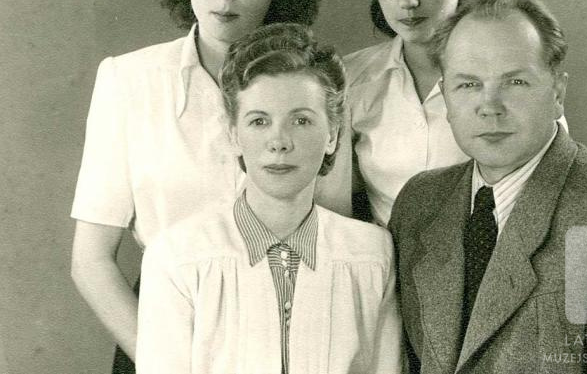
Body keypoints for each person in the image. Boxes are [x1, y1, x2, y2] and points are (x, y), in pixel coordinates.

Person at [69, 0, 346, 372]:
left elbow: (335, 232)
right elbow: (90, 261)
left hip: (292, 330)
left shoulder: (317, 85)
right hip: (161, 334)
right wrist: (165, 362)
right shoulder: (128, 81)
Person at [389, 0, 587, 373]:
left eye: (515, 82)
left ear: (557, 94)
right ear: (446, 97)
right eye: (468, 84)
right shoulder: (420, 202)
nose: (489, 107)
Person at [136, 23, 402, 374]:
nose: (279, 142)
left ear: (332, 135)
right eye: (259, 121)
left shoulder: (371, 255)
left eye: (301, 121)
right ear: (234, 134)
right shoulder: (176, 258)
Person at [345, 0, 566, 226]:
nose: (408, 0)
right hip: (385, 256)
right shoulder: (351, 80)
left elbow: (553, 186)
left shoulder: (516, 71)